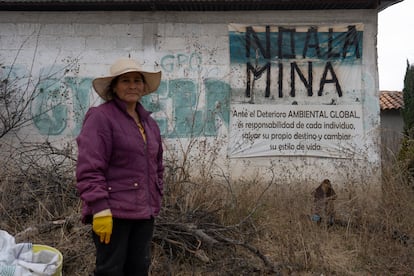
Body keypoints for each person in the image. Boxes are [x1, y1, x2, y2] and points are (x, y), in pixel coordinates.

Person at [76, 57, 164, 276]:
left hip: (144, 213)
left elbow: (157, 165)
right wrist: (99, 207)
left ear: (144, 87)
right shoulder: (101, 118)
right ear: (114, 87)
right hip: (113, 213)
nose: (132, 85)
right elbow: (89, 167)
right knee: (110, 271)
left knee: (138, 269)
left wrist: (156, 194)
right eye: (125, 81)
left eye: (137, 80)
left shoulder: (149, 123)